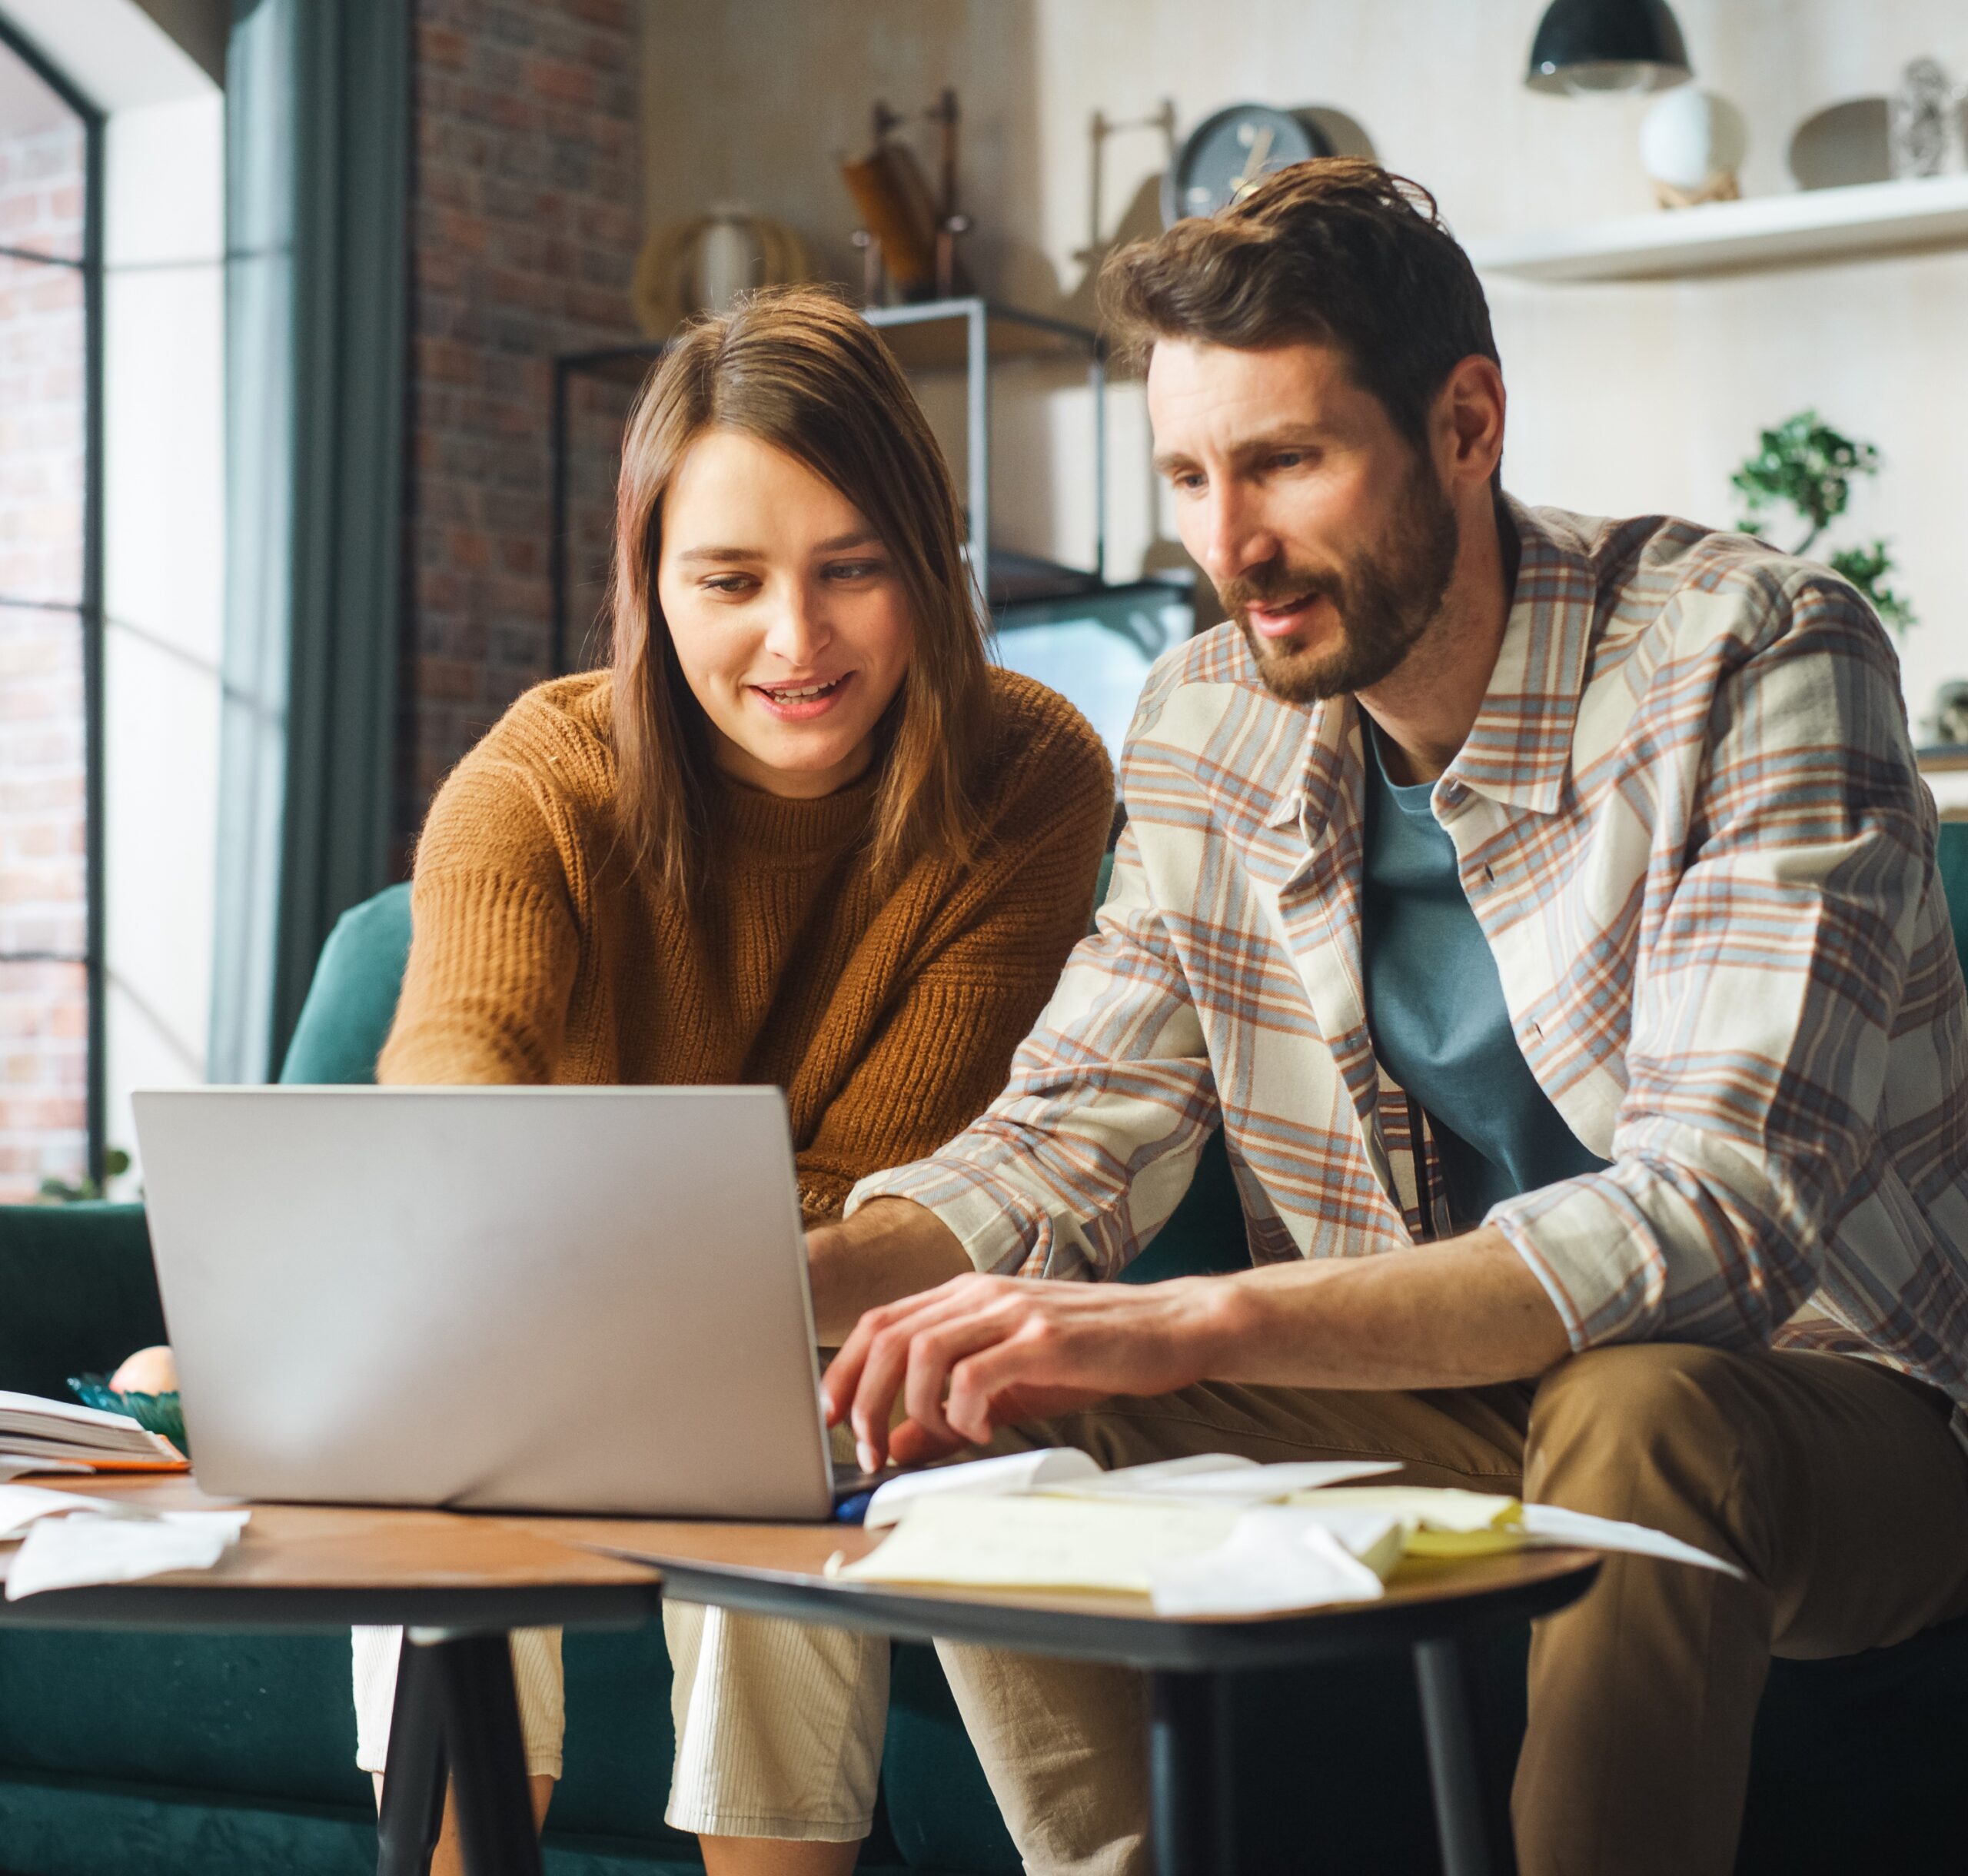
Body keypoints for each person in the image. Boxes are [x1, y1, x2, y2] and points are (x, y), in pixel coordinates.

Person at [802, 161, 1968, 1876]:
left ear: (1465, 423)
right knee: (988, 1391)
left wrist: (1193, 1318)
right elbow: (1070, 1125)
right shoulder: (1204, 721)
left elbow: (1718, 1220)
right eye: (1190, 476)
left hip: (1828, 1408)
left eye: (1284, 461)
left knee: (1640, 1407)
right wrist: (749, 1292)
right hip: (1440, 1399)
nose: (1228, 546)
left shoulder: (1751, 654)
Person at [116, 285, 1113, 1876]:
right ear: (648, 583)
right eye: (730, 578)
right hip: (516, 1321)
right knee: (438, 1461)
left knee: (768, 1441)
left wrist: (611, 1269)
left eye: (851, 568)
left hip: (818, 1318)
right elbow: (447, 1115)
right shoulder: (542, 775)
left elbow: (903, 1187)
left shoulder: (1027, 770)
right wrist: (525, 1263)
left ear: (928, 564)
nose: (796, 639)